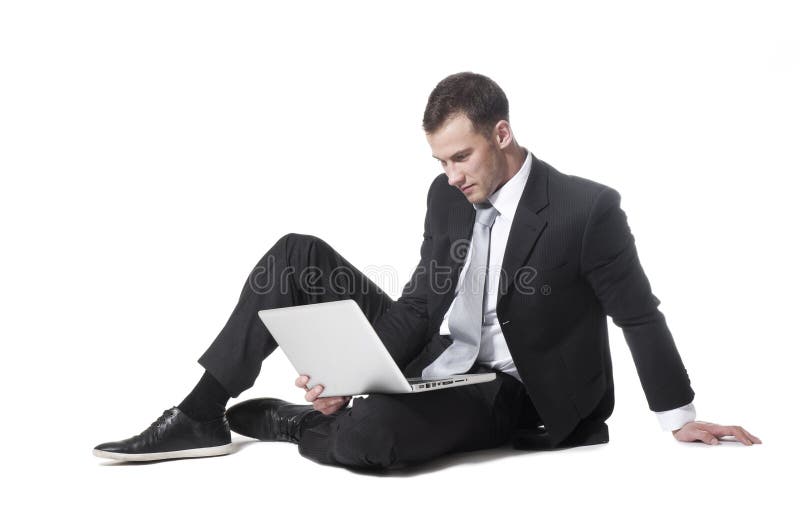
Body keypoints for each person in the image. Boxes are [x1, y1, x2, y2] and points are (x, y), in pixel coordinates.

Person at [93, 72, 761, 469]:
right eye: (440, 161)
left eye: (461, 157)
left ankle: (309, 423)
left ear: (502, 134)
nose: (451, 177)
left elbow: (638, 314)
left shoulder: (587, 210)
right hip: (441, 354)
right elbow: (421, 303)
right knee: (295, 254)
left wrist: (680, 417)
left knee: (373, 433)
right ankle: (201, 413)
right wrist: (357, 369)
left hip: (512, 389)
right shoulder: (448, 195)